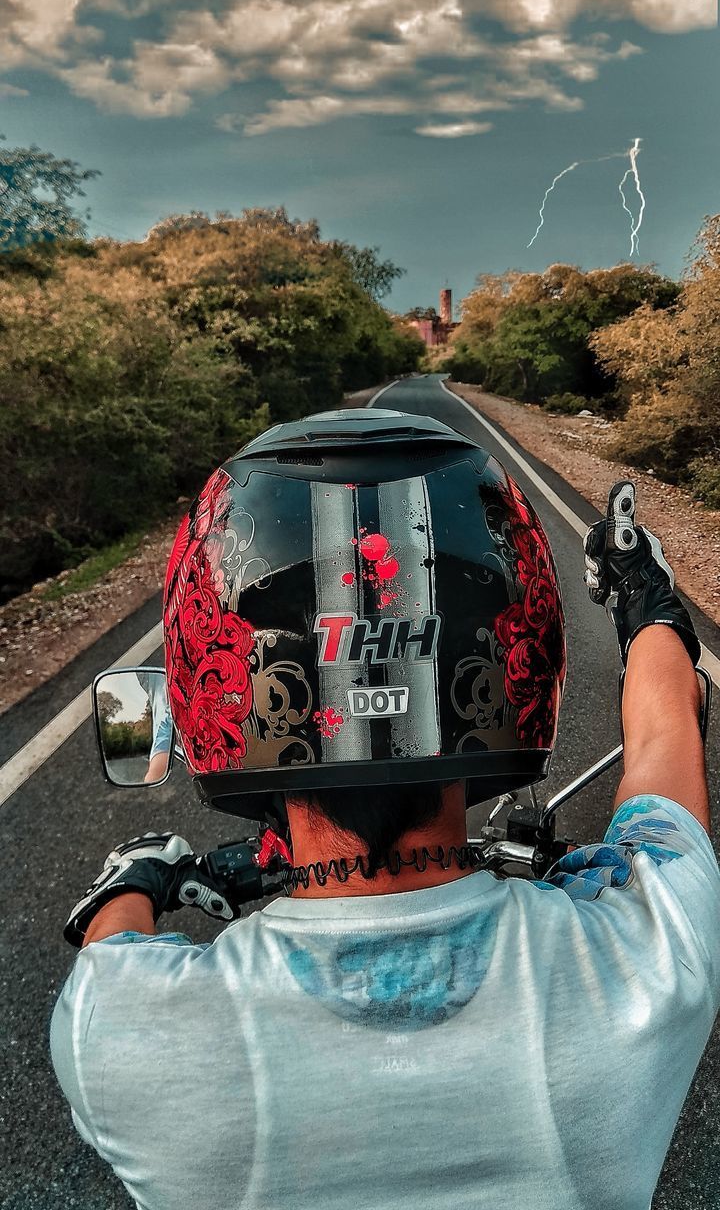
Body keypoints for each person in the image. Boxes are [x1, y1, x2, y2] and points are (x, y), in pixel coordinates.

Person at [51, 410, 719, 1210]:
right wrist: (644, 601)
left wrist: (141, 875)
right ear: (511, 677)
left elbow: (112, 940)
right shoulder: (654, 964)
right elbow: (663, 731)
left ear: (221, 692)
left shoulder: (115, 1036)